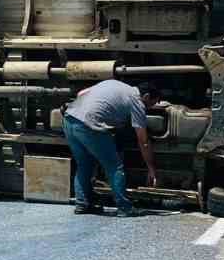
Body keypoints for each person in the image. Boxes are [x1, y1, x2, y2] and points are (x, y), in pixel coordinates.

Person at [63, 79, 158, 217]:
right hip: (89, 124)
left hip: (69, 119)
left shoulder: (114, 83)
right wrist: (151, 168)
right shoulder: (137, 101)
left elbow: (81, 93)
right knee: (115, 166)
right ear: (146, 97)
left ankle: (83, 204)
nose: (148, 108)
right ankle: (124, 208)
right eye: (151, 104)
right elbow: (143, 141)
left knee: (84, 164)